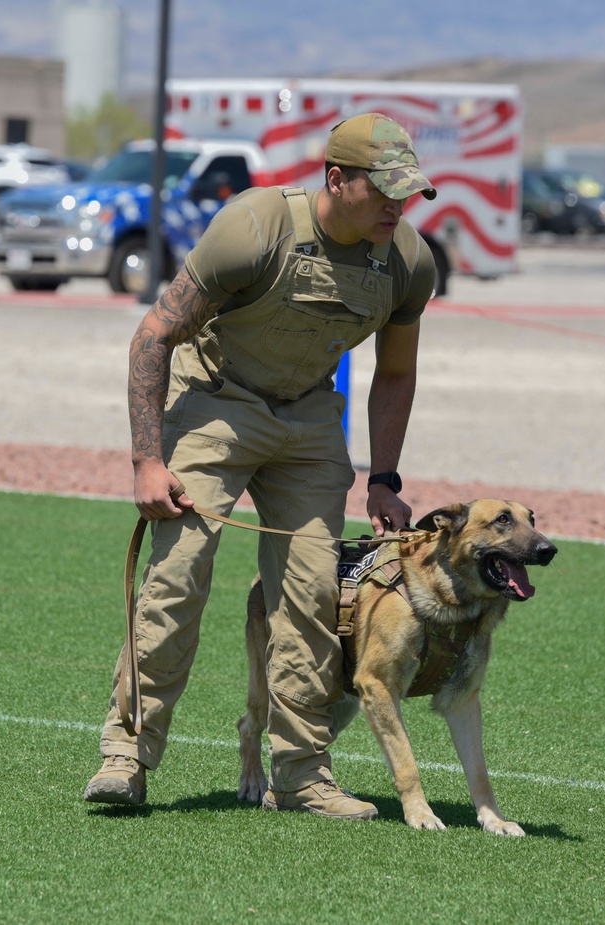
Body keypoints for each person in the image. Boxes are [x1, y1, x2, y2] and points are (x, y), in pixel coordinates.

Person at [83, 112, 438, 820]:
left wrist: (386, 478)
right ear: (336, 179)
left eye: (409, 192)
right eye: (385, 190)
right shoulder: (255, 226)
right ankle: (127, 753)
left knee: (310, 592)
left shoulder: (407, 261)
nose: (398, 207)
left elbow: (395, 374)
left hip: (308, 417)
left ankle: (302, 773)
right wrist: (148, 461)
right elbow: (154, 335)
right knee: (179, 576)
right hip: (215, 402)